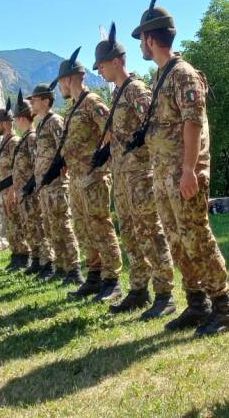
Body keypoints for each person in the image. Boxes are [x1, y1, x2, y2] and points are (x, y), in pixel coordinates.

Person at [132, 0, 229, 336]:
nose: (140, 48)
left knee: (197, 238)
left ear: (150, 39)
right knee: (178, 242)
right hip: (165, 175)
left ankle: (224, 308)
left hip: (184, 173)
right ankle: (197, 304)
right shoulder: (162, 75)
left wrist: (190, 170)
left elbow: (193, 121)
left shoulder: (182, 73)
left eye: (141, 41)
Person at [94, 23, 176, 320]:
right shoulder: (117, 94)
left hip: (141, 177)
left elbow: (153, 126)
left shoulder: (136, 90)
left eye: (102, 64)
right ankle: (139, 288)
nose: (99, 70)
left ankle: (165, 294)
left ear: (117, 61)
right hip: (123, 178)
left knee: (150, 233)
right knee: (130, 233)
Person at [57, 47, 123, 303]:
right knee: (84, 228)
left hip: (94, 178)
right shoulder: (75, 106)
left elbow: (111, 130)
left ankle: (112, 280)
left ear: (69, 79)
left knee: (100, 226)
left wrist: (101, 155)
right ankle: (94, 275)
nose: (60, 87)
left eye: (61, 82)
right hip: (76, 178)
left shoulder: (92, 102)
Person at [29, 80, 82, 286]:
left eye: (34, 99)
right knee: (51, 227)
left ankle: (74, 269)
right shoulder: (42, 122)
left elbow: (63, 150)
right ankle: (61, 266)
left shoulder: (55, 121)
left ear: (45, 100)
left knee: (63, 225)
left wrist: (57, 172)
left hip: (57, 183)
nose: (31, 103)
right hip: (45, 186)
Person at [9, 90, 51, 276]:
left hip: (32, 191)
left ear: (21, 118)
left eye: (17, 118)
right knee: (30, 227)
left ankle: (47, 262)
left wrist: (30, 187)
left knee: (38, 226)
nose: (16, 123)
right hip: (24, 192)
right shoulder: (26, 138)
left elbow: (36, 165)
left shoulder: (31, 138)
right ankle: (35, 259)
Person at [0, 100, 30, 271]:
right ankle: (16, 255)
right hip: (5, 190)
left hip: (13, 189)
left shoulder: (14, 142)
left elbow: (18, 168)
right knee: (10, 224)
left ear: (5, 123)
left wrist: (13, 189)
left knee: (17, 223)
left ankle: (23, 256)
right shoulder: (3, 142)